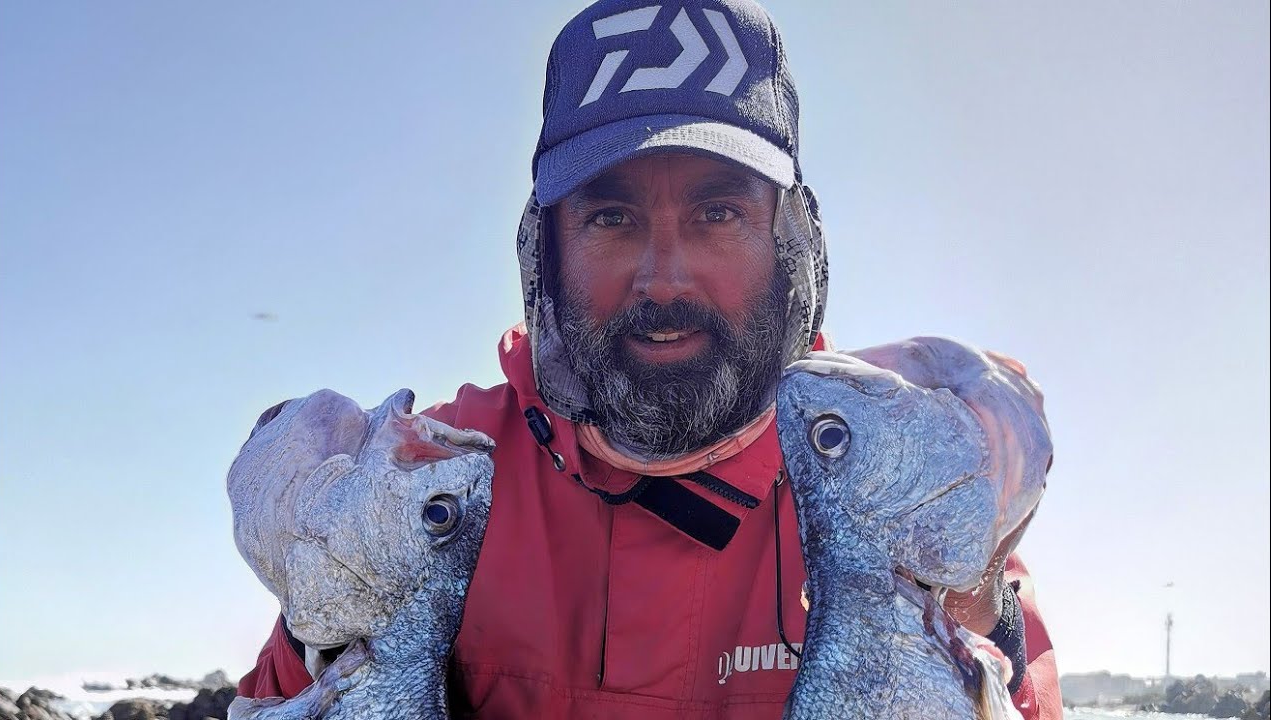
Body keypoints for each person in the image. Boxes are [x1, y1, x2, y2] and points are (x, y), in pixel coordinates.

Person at [236, 0, 1062, 717]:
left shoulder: (882, 491)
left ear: (790, 242)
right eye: (611, 218)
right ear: (546, 249)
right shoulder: (430, 485)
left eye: (717, 212)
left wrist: (978, 610)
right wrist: (319, 629)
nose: (664, 278)